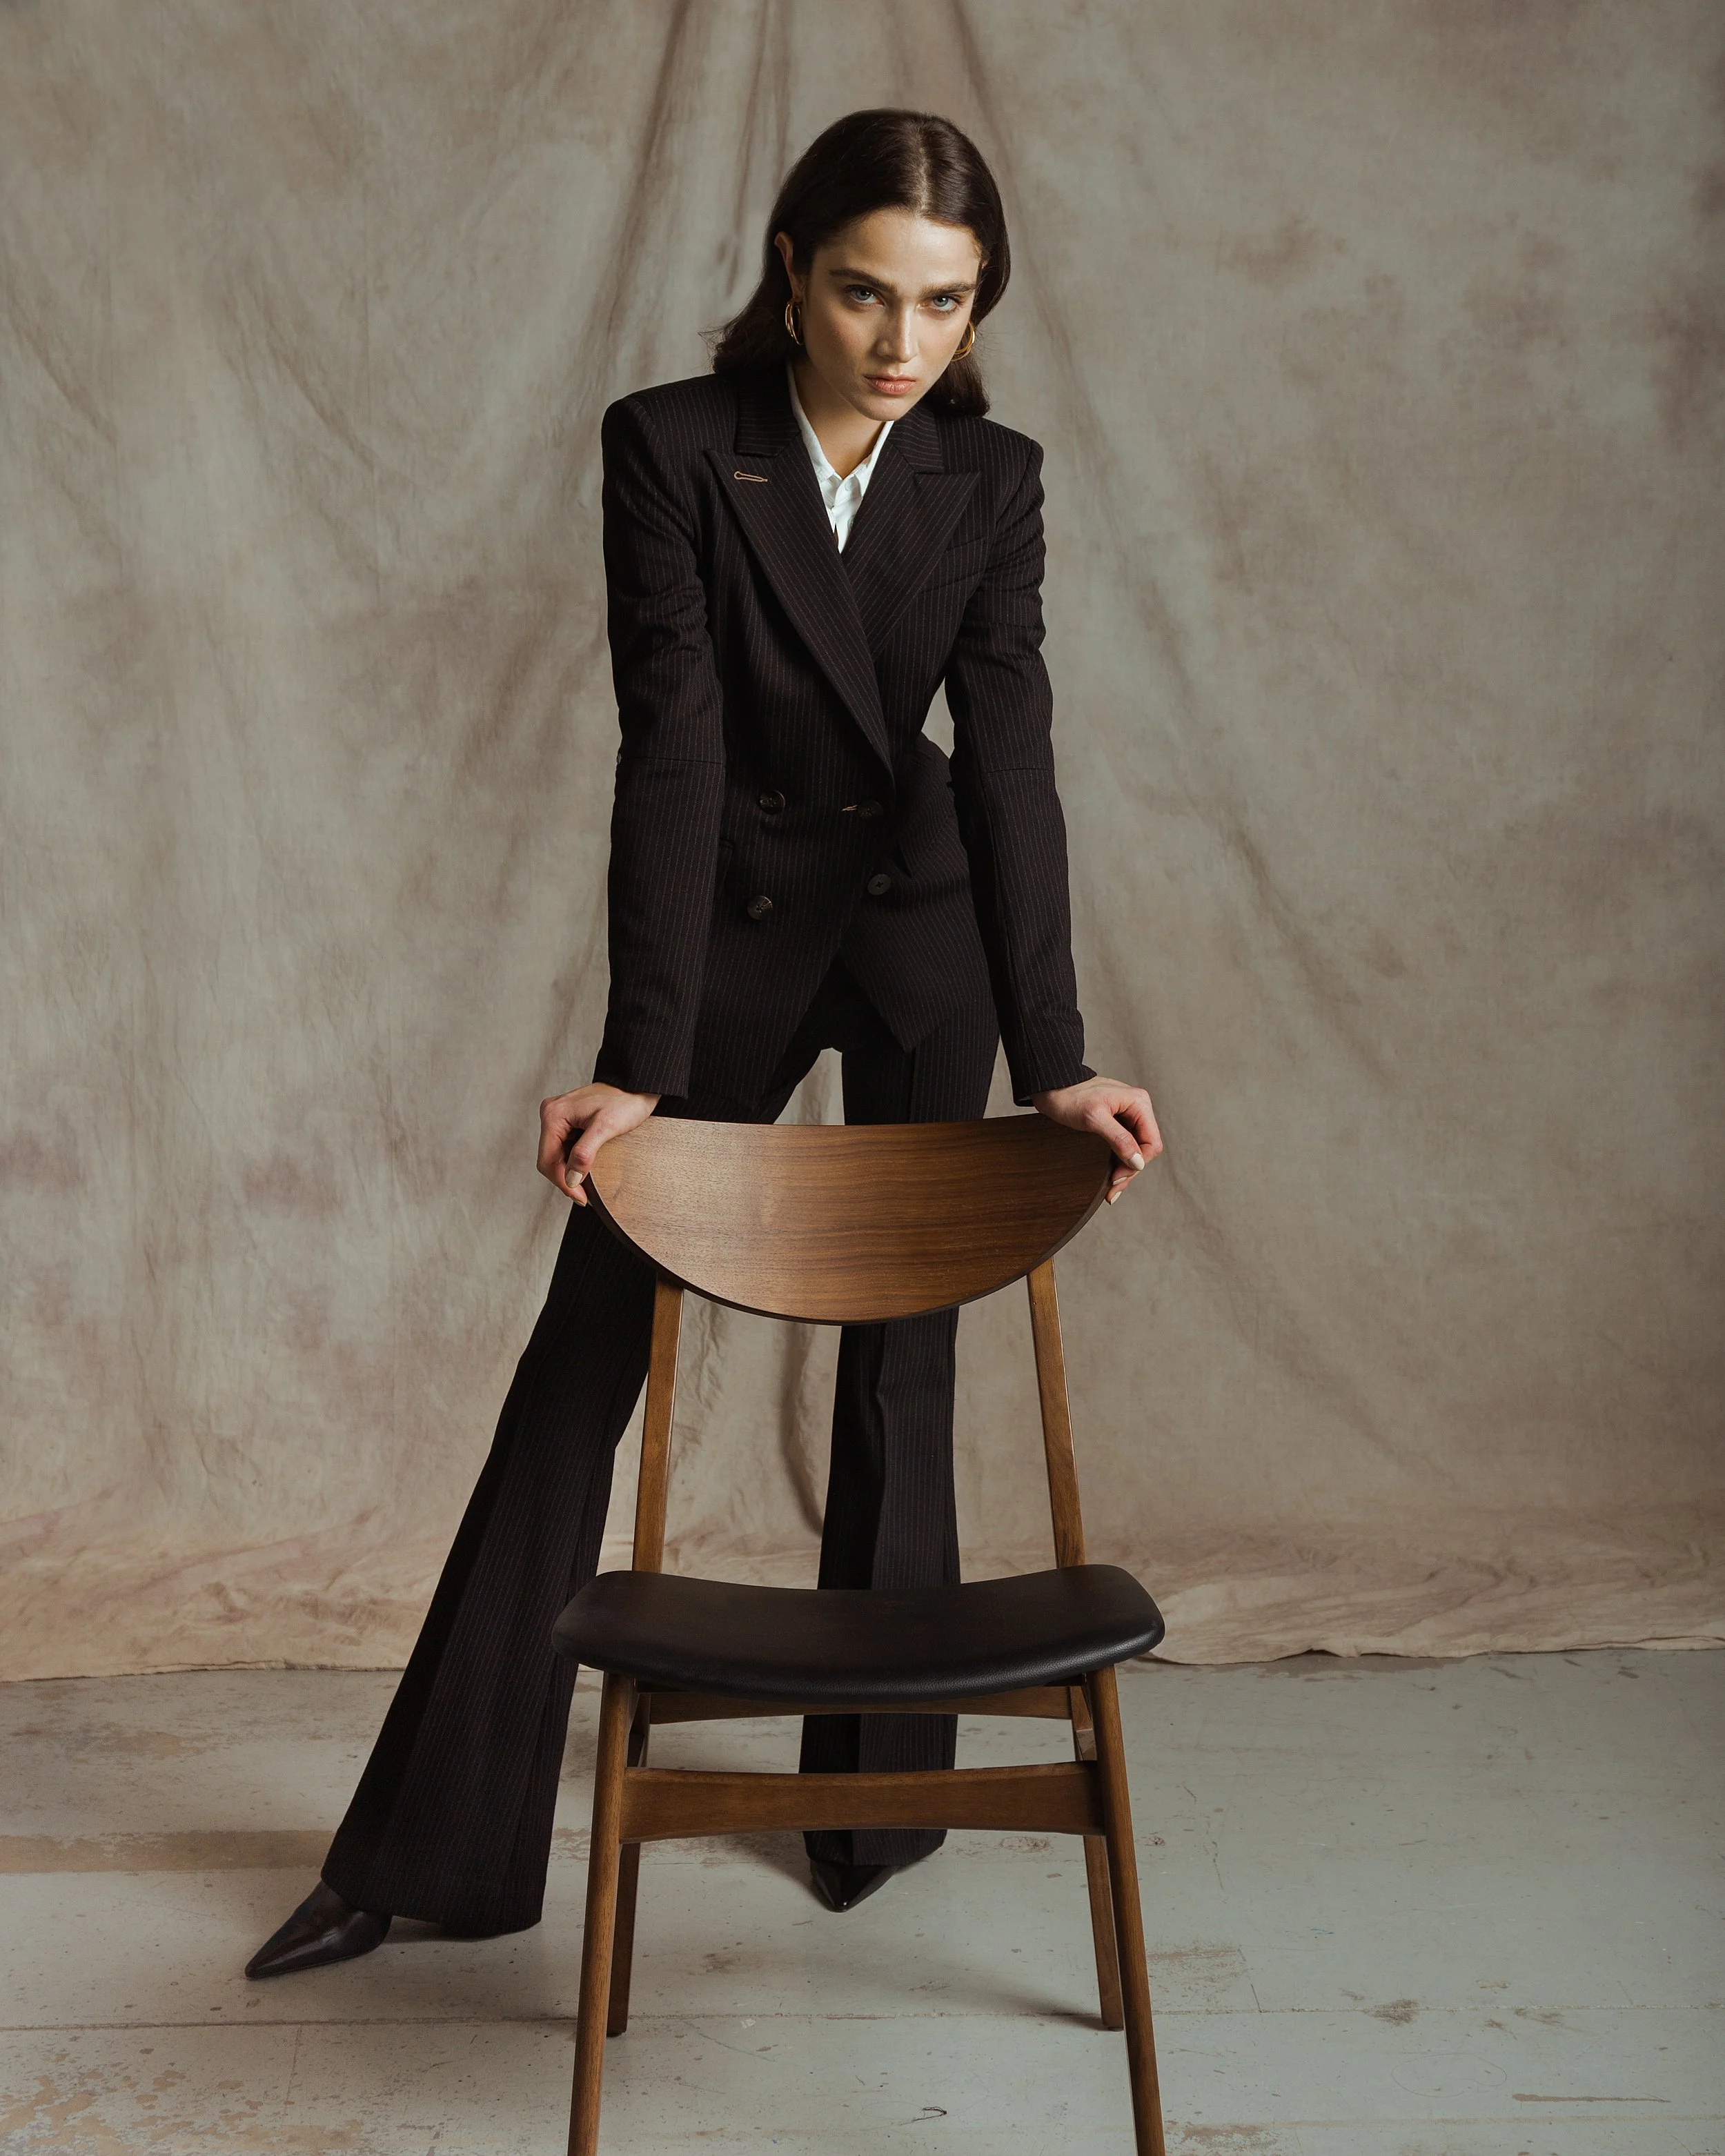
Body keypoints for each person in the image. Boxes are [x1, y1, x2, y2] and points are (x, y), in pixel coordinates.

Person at [246, 106, 1161, 1980]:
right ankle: (427, 1853)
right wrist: (641, 1062)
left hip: (922, 941)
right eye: (867, 293)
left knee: (905, 1364)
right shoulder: (672, 445)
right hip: (729, 931)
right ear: (791, 273)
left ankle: (872, 1816)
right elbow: (671, 746)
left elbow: (1010, 763)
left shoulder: (988, 478)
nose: (904, 341)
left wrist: (1059, 1056)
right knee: (583, 1356)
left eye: (947, 302)